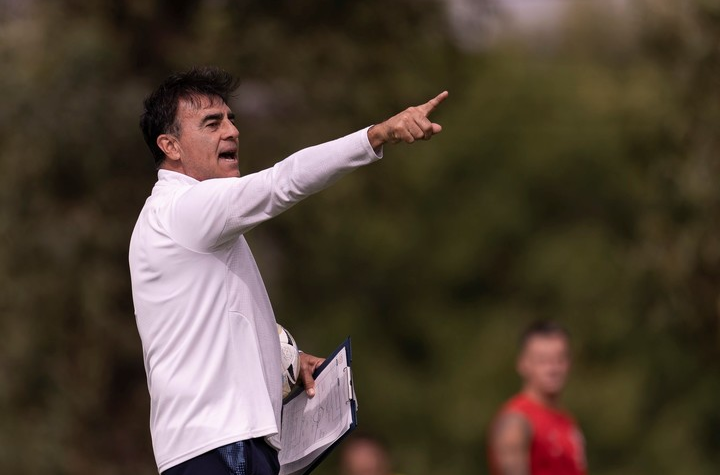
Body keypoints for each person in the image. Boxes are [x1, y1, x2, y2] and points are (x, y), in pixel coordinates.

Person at [129, 66, 447, 475]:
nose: (232, 131)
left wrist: (286, 361)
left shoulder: (174, 219)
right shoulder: (183, 209)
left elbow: (214, 323)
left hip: (218, 445)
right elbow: (283, 181)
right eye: (212, 123)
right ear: (170, 145)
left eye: (231, 119)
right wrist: (376, 135)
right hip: (221, 447)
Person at [488, 321, 587, 475]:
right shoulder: (516, 422)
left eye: (559, 359)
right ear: (523, 364)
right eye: (543, 360)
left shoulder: (567, 421)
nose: (553, 369)